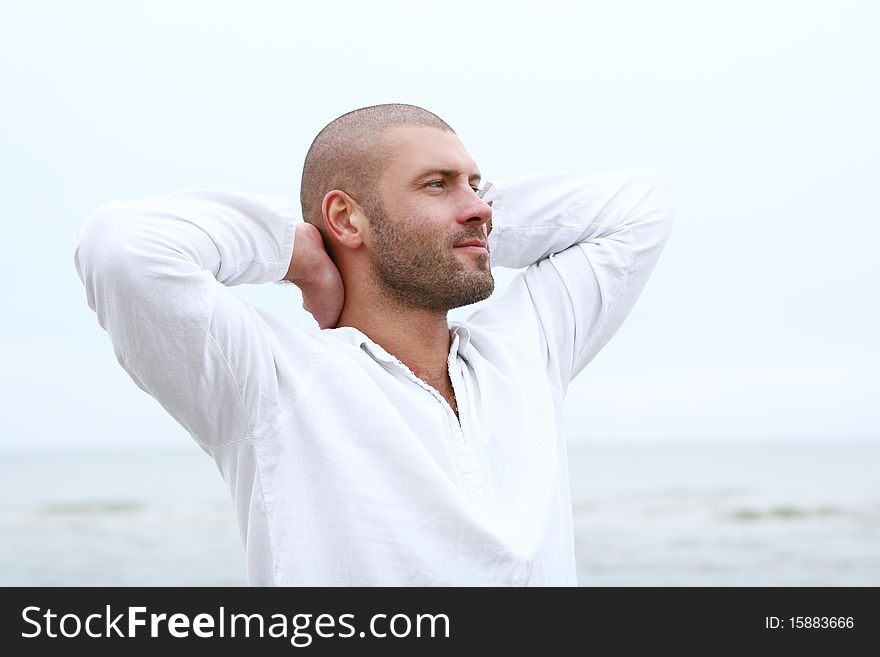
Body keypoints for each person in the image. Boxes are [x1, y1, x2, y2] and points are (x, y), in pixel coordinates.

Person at [74, 103, 673, 586]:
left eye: (477, 185)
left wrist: (468, 221)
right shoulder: (270, 381)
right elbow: (123, 246)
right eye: (436, 185)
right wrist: (300, 253)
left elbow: (640, 207)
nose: (481, 207)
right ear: (347, 219)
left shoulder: (526, 350)